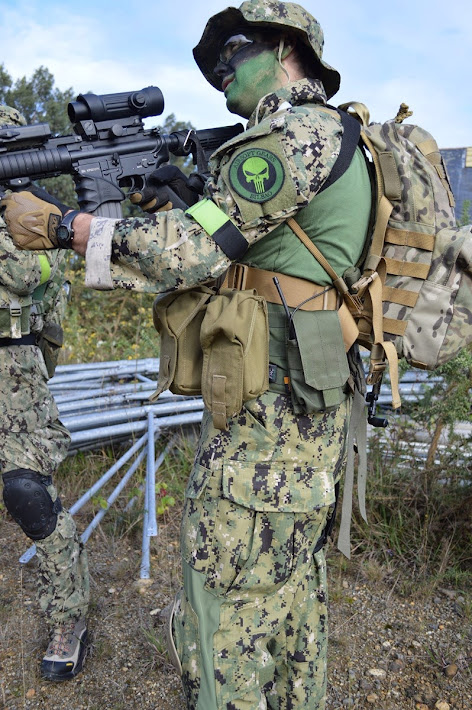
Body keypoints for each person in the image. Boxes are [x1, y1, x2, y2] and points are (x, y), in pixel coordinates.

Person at [1, 1, 372, 706]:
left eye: (233, 51)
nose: (220, 72)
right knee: (292, 602)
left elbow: (191, 251)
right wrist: (163, 199)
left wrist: (62, 227)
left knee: (226, 613)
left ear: (283, 48)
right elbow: (219, 231)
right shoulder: (331, 134)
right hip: (299, 397)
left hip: (271, 419)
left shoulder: (293, 136)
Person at [0, 105, 89, 681]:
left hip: (11, 367)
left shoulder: (31, 211)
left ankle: (69, 614)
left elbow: (25, 276)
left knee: (28, 493)